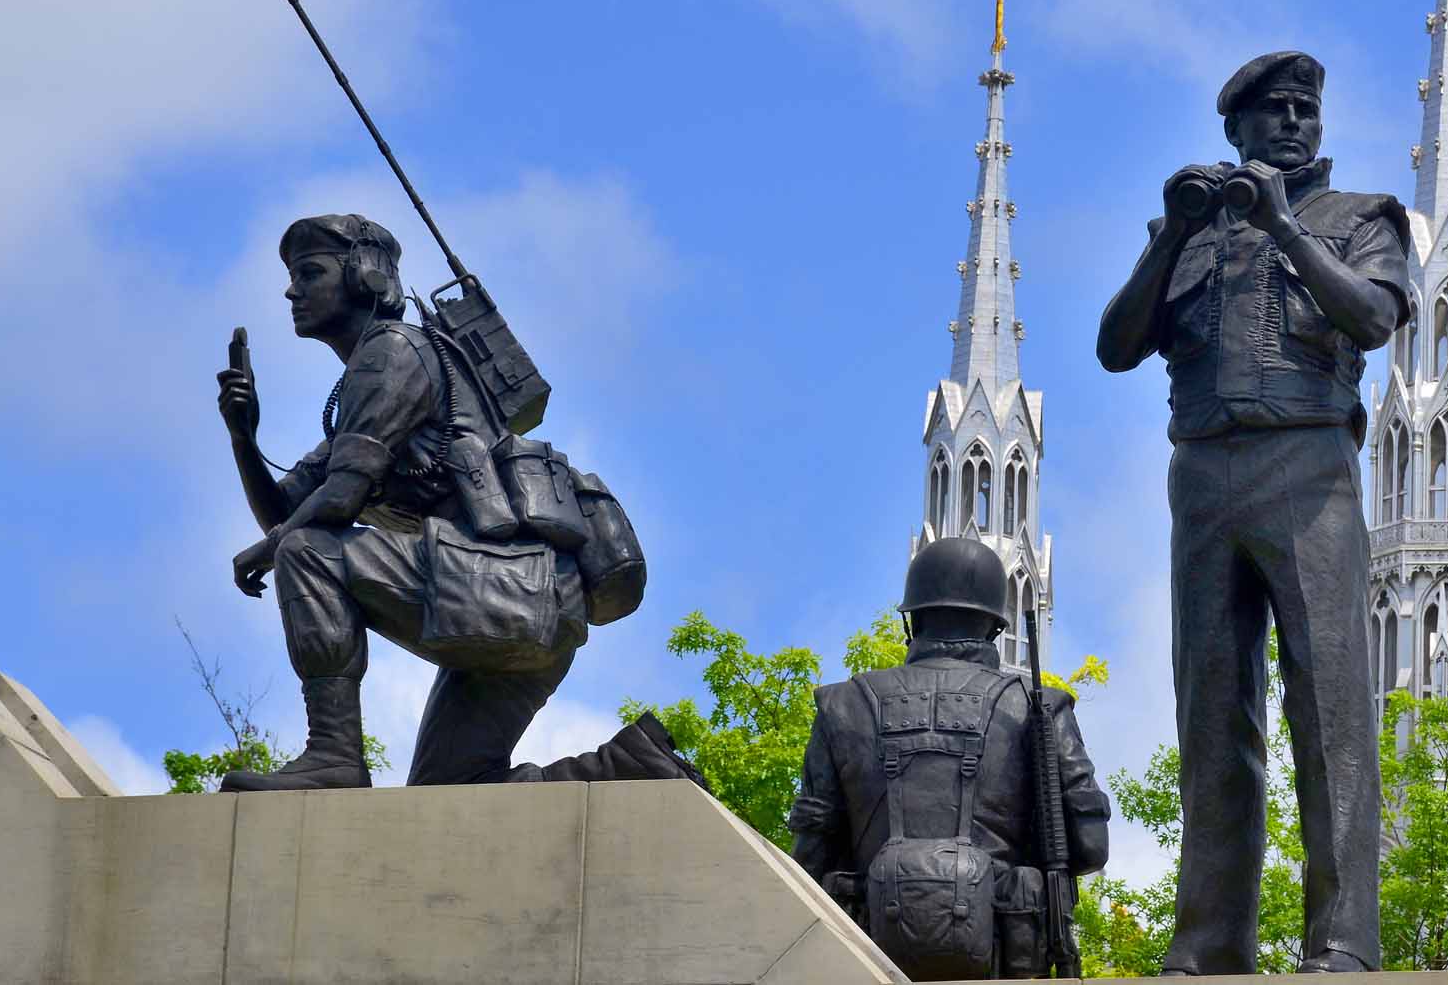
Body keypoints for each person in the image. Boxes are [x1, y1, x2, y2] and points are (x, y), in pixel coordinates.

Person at [1096, 51, 1412, 974]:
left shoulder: (1360, 219)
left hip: (1308, 466)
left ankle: (1345, 939)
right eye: (1271, 111)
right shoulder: (1188, 232)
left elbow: (1373, 318)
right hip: (1201, 474)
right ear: (1234, 128)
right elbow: (1116, 347)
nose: (1291, 123)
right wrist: (1170, 237)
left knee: (1330, 707)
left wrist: (1285, 226)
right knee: (1211, 712)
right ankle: (1209, 939)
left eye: (1304, 109)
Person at [215, 213, 686, 790]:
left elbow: (328, 512)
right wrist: (244, 438)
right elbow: (288, 514)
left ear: (366, 275)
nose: (292, 290)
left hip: (507, 591)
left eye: (310, 272)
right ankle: (628, 768)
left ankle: (333, 755)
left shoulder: (392, 354)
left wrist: (266, 549)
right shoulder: (374, 385)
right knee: (451, 791)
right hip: (530, 605)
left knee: (311, 553)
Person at [787, 537, 1111, 980]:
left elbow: (808, 859)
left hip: (862, 962)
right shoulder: (1039, 708)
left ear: (912, 619)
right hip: (1006, 966)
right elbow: (1091, 848)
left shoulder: (841, 705)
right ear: (996, 625)